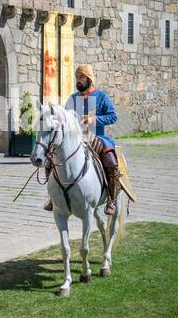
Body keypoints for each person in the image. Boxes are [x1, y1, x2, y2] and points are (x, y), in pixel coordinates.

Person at [44, 63, 121, 215]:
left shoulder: (102, 97)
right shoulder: (72, 99)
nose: (78, 80)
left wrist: (94, 120)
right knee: (50, 160)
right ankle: (53, 197)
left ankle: (111, 200)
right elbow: (64, 119)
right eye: (77, 77)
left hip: (96, 138)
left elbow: (113, 116)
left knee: (111, 162)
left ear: (89, 79)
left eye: (81, 77)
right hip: (74, 140)